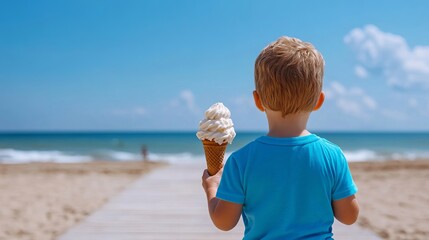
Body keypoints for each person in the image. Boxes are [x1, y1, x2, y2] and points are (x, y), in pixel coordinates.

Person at [202, 36, 359, 239]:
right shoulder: (332, 156)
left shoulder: (241, 161)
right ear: (319, 100)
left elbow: (224, 222)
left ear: (258, 100)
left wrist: (212, 187)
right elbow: (349, 216)